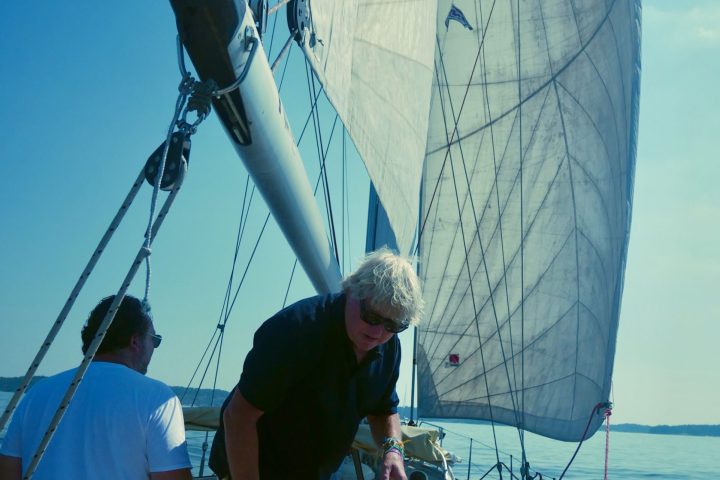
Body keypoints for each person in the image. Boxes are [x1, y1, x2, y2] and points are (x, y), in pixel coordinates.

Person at [209, 248, 424, 480]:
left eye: (393, 326)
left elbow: (383, 411)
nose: (378, 332)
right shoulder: (295, 329)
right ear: (351, 290)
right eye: (371, 317)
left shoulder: (389, 347)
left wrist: (393, 451)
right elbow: (239, 415)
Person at [0, 295, 193, 480]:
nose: (154, 348)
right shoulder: (157, 398)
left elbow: (7, 472)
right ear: (135, 341)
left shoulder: (35, 394)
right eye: (155, 340)